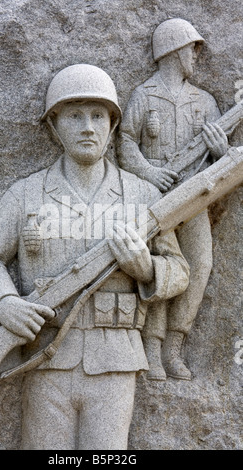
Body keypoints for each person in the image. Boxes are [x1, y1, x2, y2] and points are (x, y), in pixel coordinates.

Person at [0, 64, 189, 450]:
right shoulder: (26, 194)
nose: (88, 127)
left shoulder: (143, 197)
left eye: (98, 115)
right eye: (74, 115)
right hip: (46, 359)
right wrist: (4, 304)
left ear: (113, 125)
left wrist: (147, 268)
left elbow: (179, 271)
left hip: (115, 360)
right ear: (54, 126)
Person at [118, 18, 228, 381]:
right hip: (156, 200)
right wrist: (149, 173)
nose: (195, 55)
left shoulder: (205, 101)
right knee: (160, 267)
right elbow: (127, 142)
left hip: (194, 198)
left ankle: (175, 348)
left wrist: (219, 151)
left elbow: (220, 160)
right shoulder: (143, 95)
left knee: (199, 266)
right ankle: (151, 346)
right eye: (190, 48)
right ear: (173, 50)